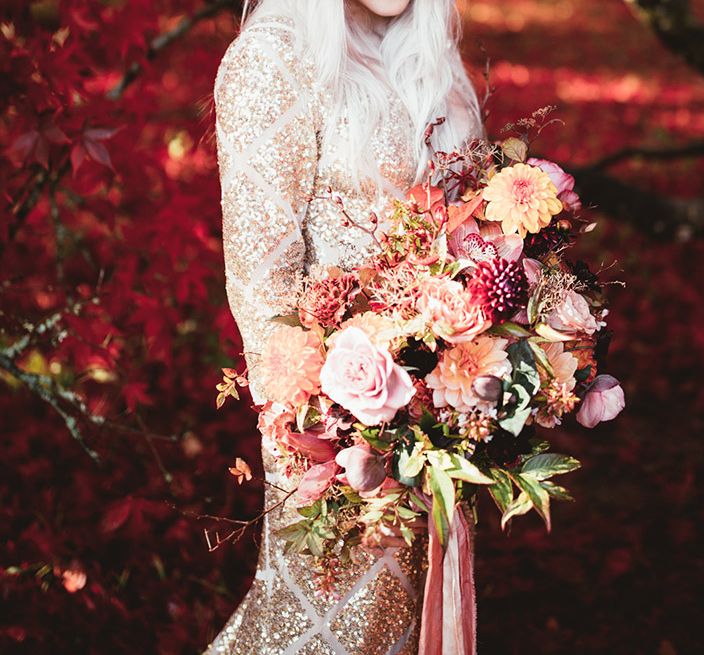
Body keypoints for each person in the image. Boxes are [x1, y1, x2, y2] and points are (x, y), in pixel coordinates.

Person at [208, 0, 483, 652]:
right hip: (335, 445)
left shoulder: (428, 56)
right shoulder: (272, 57)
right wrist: (331, 439)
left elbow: (471, 240)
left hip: (439, 431)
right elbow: (262, 294)